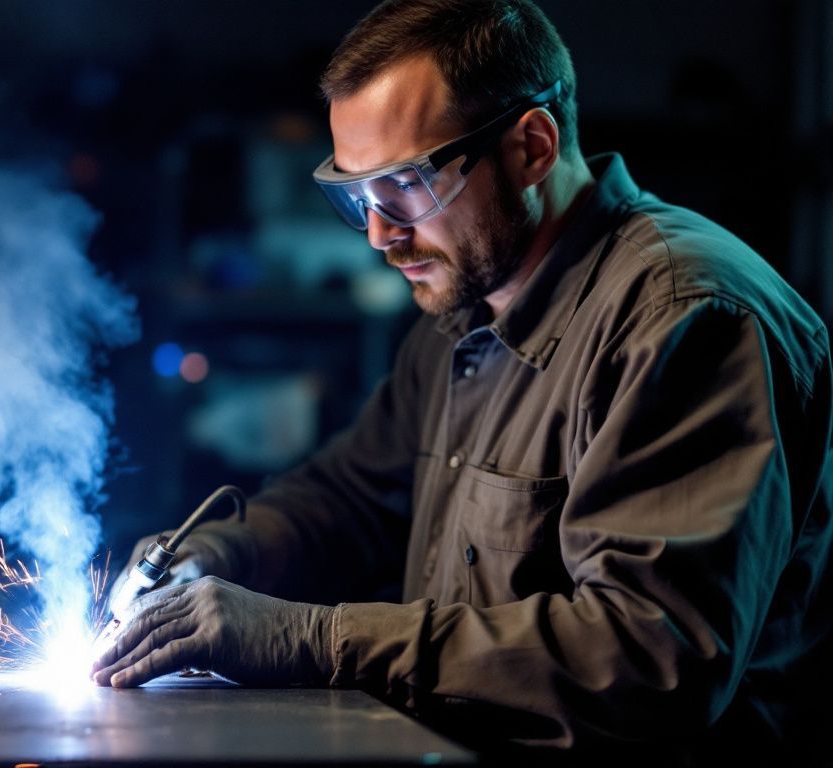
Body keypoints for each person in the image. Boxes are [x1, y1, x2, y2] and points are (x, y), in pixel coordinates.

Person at [91, 0, 833, 762]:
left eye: (406, 183)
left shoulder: (686, 319)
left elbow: (648, 659)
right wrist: (221, 557)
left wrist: (313, 638)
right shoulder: (462, 310)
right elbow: (353, 498)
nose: (380, 233)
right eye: (357, 195)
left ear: (532, 147)